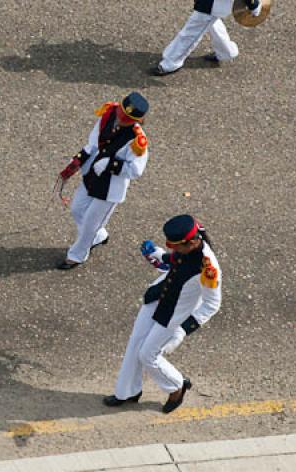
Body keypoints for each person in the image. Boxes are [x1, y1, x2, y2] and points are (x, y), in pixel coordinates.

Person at [103, 215, 222, 413]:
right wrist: (156, 253)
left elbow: (212, 304)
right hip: (157, 298)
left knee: (148, 355)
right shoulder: (186, 247)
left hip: (174, 315)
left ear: (192, 243)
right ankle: (127, 392)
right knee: (135, 343)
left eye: (177, 246)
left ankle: (177, 385)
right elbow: (173, 260)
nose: (173, 249)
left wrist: (184, 330)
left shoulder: (209, 267)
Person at [56, 92, 149, 270]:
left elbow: (136, 170)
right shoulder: (108, 115)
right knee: (77, 209)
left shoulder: (137, 140)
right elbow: (93, 143)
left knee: (90, 223)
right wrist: (77, 161)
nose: (121, 119)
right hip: (92, 174)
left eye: (127, 118)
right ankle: (98, 236)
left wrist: (113, 164)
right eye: (121, 113)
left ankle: (77, 255)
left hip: (110, 187)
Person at [154, 0, 263, 76]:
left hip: (214, 3)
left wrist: (253, 4)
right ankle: (226, 52)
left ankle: (171, 63)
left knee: (190, 32)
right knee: (211, 23)